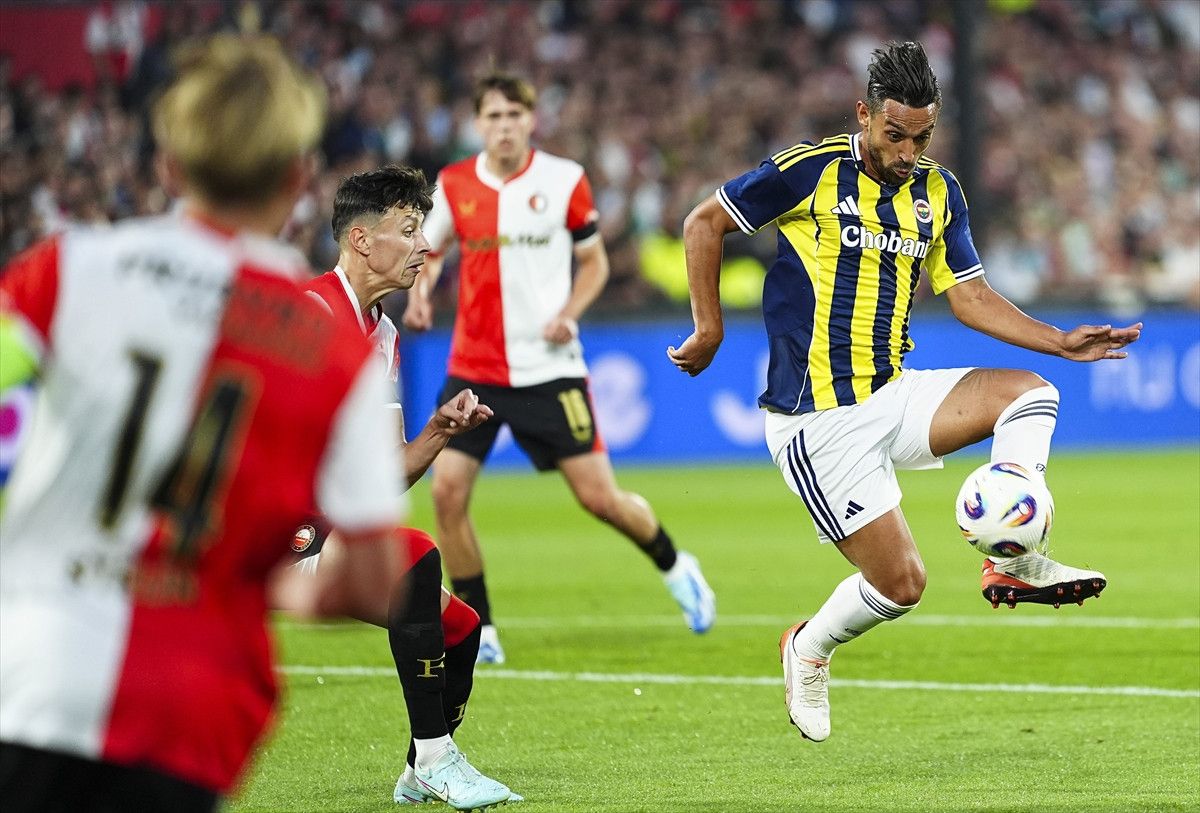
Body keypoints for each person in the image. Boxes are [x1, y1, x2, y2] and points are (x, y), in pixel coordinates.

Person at [673, 41, 1142, 743]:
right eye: (895, 134)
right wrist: (708, 328)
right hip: (817, 420)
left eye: (922, 137)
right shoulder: (810, 171)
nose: (908, 152)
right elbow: (702, 222)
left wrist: (1059, 340)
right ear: (864, 114)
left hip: (893, 394)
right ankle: (809, 646)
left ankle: (1012, 560)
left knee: (1032, 395)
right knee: (902, 586)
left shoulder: (938, 191)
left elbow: (970, 296)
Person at [0, 35, 405, 812]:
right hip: (189, 714)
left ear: (168, 166)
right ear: (297, 179)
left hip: (27, 673)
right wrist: (271, 588)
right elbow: (373, 577)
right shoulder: (332, 348)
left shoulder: (69, 269)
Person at [403, 73, 716, 664]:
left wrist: (569, 314)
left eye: (513, 115)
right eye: (493, 116)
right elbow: (429, 250)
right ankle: (479, 627)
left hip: (549, 369)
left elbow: (594, 263)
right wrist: (420, 293)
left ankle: (676, 564)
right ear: (478, 124)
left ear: (530, 120)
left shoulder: (563, 179)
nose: (504, 126)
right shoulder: (455, 184)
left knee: (600, 499)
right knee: (446, 493)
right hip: (474, 367)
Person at [293, 164, 520, 809]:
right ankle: (440, 759)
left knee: (461, 628)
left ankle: (420, 769)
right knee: (418, 558)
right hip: (276, 526)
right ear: (362, 239)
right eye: (410, 229)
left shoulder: (383, 335)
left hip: (328, 524)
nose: (424, 246)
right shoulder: (309, 314)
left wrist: (440, 430)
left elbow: (388, 471)